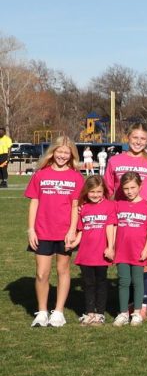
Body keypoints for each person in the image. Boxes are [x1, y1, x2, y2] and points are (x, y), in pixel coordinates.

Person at [104, 123, 147, 321]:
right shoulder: (115, 161)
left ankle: (142, 304)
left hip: (144, 220)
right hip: (122, 218)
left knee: (143, 261)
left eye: (143, 138)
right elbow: (107, 189)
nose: (138, 142)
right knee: (124, 260)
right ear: (127, 137)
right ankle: (127, 303)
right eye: (135, 137)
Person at [25, 137, 83, 327]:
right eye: (59, 151)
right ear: (53, 151)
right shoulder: (40, 174)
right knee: (42, 273)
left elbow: (76, 206)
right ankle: (42, 312)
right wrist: (31, 229)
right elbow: (34, 201)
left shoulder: (76, 177)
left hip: (64, 232)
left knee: (62, 270)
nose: (62, 156)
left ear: (72, 155)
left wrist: (72, 230)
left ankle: (58, 312)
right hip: (42, 231)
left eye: (67, 152)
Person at [111, 173, 147, 326]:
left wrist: (146, 249)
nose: (129, 191)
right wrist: (112, 247)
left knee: (138, 282)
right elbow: (113, 226)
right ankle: (123, 313)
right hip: (122, 251)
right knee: (123, 281)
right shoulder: (118, 205)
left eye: (133, 187)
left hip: (138, 251)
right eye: (126, 188)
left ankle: (137, 312)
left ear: (140, 187)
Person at [70, 176, 116, 325]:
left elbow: (111, 227)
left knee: (101, 282)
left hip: (101, 252)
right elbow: (81, 230)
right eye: (92, 192)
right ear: (86, 192)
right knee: (88, 283)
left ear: (103, 191)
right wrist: (74, 243)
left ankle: (100, 314)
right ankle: (90, 312)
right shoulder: (84, 208)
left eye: (98, 191)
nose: (95, 194)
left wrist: (110, 247)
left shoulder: (110, 206)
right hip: (85, 253)